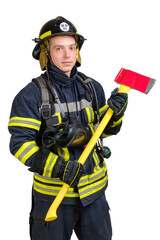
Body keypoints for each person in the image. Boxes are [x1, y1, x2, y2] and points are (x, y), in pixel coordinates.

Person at [8, 16, 128, 240]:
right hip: (52, 199)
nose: (67, 55)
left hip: (94, 196)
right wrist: (59, 168)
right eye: (59, 48)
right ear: (45, 52)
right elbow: (20, 145)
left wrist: (115, 115)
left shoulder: (93, 88)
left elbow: (104, 132)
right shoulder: (31, 95)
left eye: (72, 47)